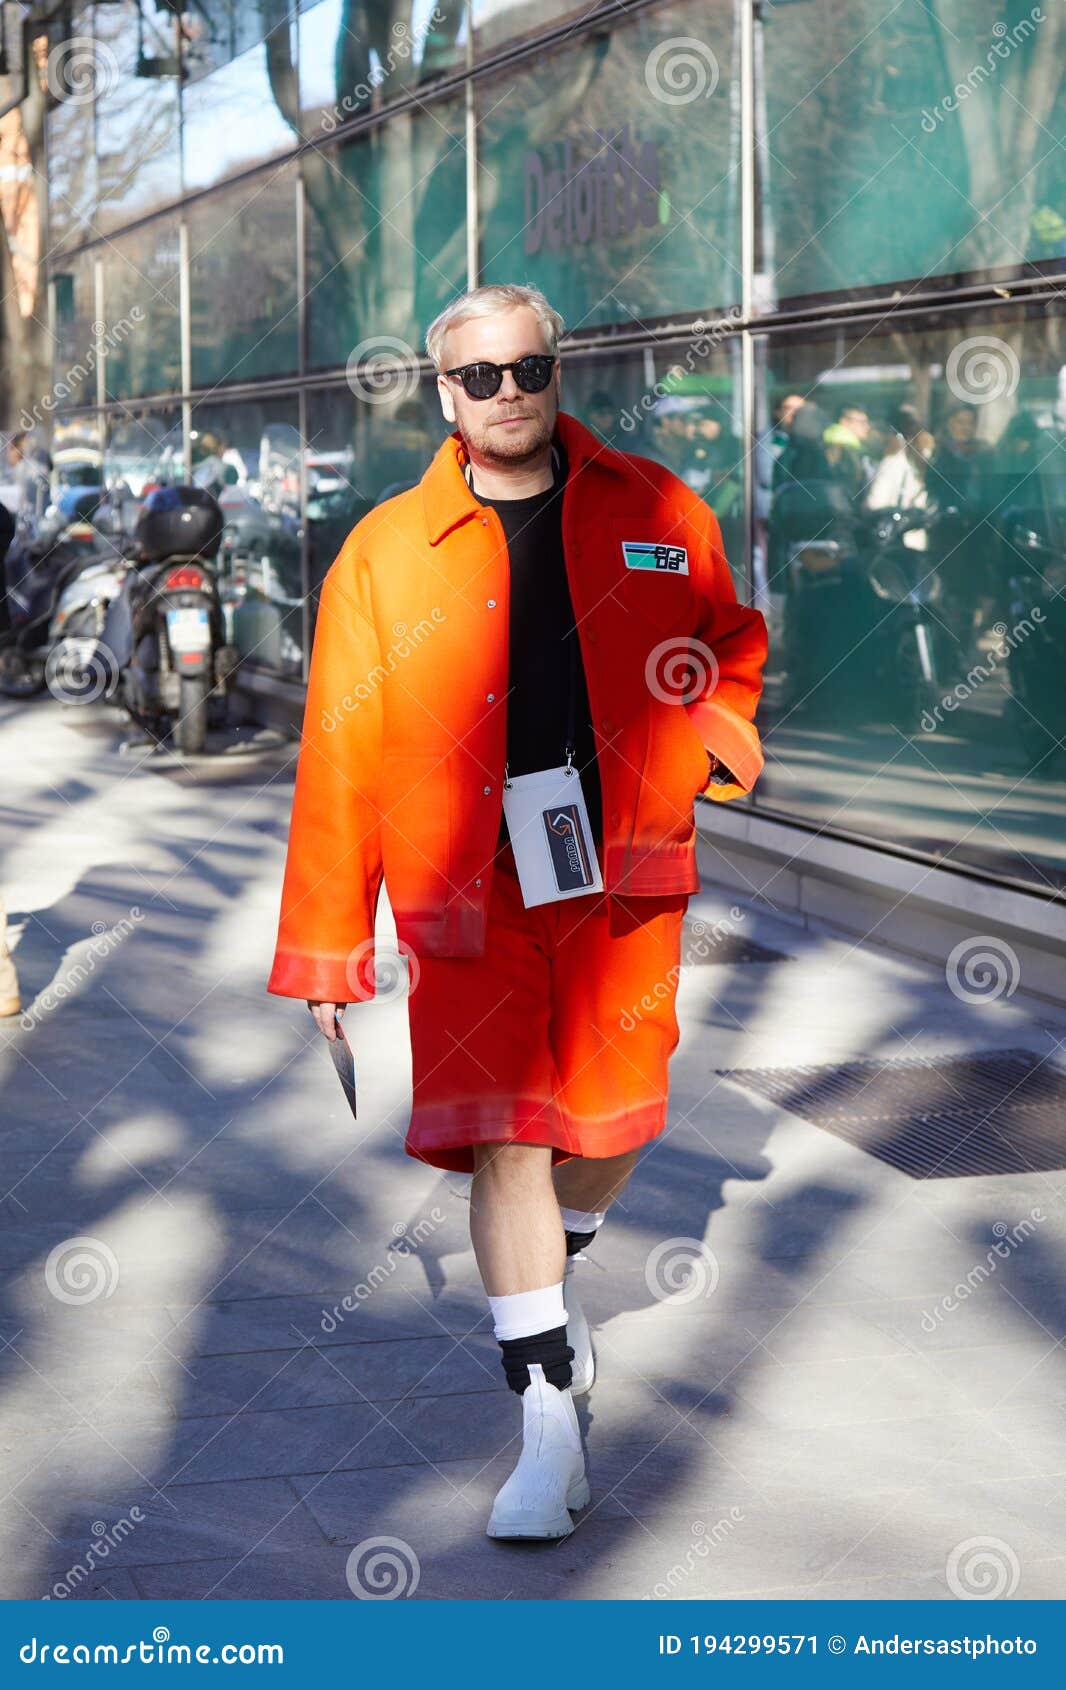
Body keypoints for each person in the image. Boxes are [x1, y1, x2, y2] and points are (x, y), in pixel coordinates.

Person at [267, 283, 767, 1541]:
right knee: (508, 1138)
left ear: (556, 372)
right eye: (478, 376)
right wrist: (329, 940)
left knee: (613, 1119)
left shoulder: (658, 509)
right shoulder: (384, 551)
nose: (507, 394)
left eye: (527, 369)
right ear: (444, 393)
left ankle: (557, 1273)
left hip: (622, 875)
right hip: (464, 891)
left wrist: (708, 748)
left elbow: (730, 642)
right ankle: (544, 1422)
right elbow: (337, 754)